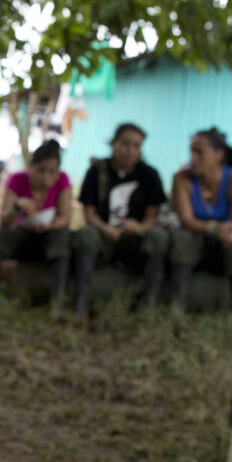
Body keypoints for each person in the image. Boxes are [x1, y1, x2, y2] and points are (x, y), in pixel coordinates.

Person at [72, 122, 170, 318]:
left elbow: (153, 216)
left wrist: (140, 228)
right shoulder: (97, 171)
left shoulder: (149, 175)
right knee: (86, 235)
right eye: (126, 144)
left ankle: (149, 306)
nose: (130, 151)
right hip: (103, 235)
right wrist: (104, 228)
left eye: (136, 146)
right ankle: (80, 304)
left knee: (158, 237)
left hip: (135, 240)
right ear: (113, 143)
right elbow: (89, 212)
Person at [0, 139, 72, 317]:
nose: (45, 175)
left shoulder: (62, 181)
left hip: (49, 237)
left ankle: (57, 302)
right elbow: (4, 221)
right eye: (40, 170)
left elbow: (65, 218)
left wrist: (50, 225)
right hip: (23, 236)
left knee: (62, 236)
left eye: (51, 171)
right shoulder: (17, 180)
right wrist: (18, 206)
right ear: (31, 167)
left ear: (57, 172)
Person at [169, 127, 232, 314]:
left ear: (219, 155)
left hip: (224, 247)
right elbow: (185, 220)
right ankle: (177, 310)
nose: (193, 158)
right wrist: (214, 228)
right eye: (191, 152)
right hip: (195, 248)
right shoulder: (181, 179)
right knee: (183, 238)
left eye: (199, 152)